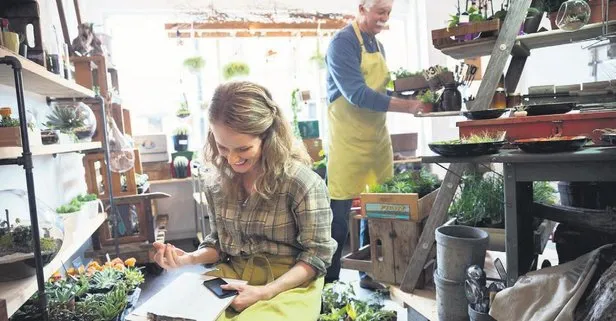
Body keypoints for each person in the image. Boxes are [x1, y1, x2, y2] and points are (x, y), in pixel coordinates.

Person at [151, 81, 338, 321]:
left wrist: (264, 292)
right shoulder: (217, 182)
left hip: (289, 282)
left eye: (243, 148)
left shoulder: (301, 183)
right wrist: (188, 259)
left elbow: (317, 256)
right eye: (222, 147)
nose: (232, 158)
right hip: (233, 275)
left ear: (268, 137)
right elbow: (219, 243)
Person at [324, 0, 428, 289]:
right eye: (380, 11)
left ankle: (371, 274)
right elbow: (357, 94)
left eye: (389, 13)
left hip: (376, 139)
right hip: (347, 141)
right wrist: (408, 107)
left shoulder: (378, 46)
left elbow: (381, 91)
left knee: (379, 211)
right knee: (339, 218)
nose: (385, 18)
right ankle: (328, 283)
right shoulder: (342, 43)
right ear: (362, 8)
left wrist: (418, 90)